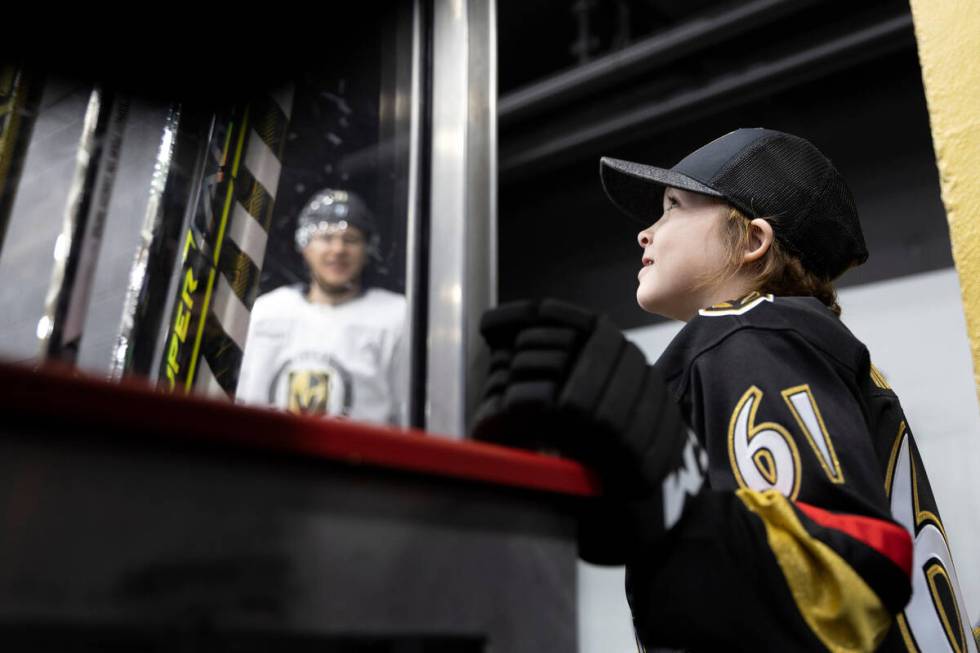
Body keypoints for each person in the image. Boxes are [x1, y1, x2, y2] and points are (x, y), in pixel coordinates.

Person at [473, 128, 975, 651]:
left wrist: (675, 508)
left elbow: (842, 572)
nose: (646, 233)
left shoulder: (750, 332)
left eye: (672, 207)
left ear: (754, 241)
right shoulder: (793, 342)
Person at [236, 188, 406, 426]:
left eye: (351, 239)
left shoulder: (396, 317)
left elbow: (406, 414)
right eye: (326, 238)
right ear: (305, 246)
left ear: (368, 249)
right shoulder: (267, 312)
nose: (338, 250)